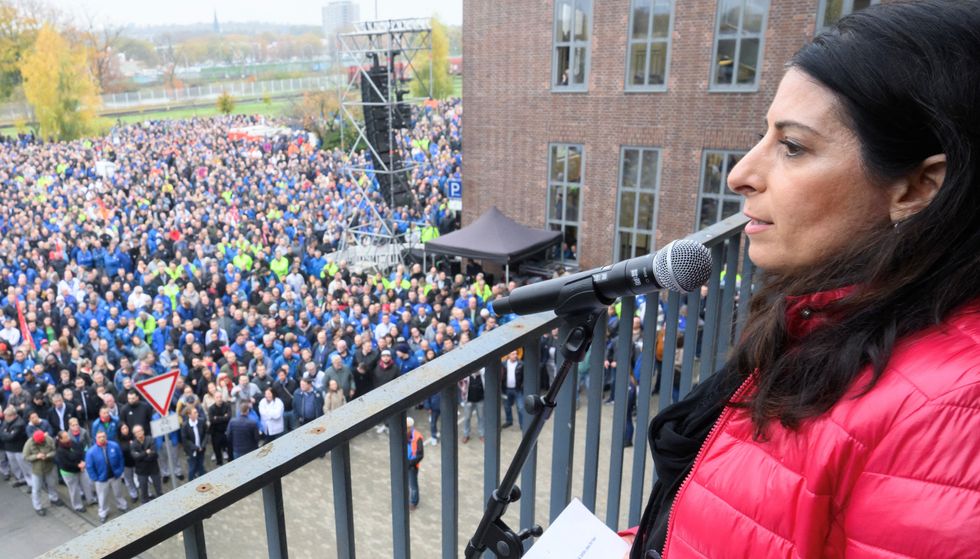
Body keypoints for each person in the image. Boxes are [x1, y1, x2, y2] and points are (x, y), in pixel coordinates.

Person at [626, 3, 980, 557]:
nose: (741, 174)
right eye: (764, 136)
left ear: (917, 187)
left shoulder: (952, 417)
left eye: (791, 146)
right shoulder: (823, 314)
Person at [85, 430, 128, 524]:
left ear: (106, 436)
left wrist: (120, 471)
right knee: (102, 497)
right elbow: (89, 467)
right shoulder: (91, 452)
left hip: (115, 476)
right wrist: (95, 478)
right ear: (96, 438)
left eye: (103, 436)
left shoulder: (114, 446)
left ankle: (122, 506)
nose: (102, 438)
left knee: (118, 493)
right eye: (99, 437)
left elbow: (121, 459)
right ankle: (103, 513)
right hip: (101, 479)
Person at [23, 429, 61, 515]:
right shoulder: (29, 443)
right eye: (38, 442)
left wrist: (47, 455)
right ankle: (38, 506)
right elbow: (25, 457)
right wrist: (36, 456)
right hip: (37, 469)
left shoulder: (49, 439)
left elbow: (54, 451)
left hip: (49, 467)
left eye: (41, 441)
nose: (40, 443)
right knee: (36, 489)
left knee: (52, 484)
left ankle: (54, 498)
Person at [54, 430, 89, 512]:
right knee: (74, 489)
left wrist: (83, 461)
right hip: (69, 472)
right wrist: (77, 465)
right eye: (66, 437)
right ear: (60, 439)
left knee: (86, 484)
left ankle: (90, 499)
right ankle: (78, 506)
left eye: (68, 436)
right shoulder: (59, 451)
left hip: (80, 467)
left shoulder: (72, 443)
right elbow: (66, 464)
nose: (68, 438)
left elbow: (81, 451)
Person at [129, 424, 162, 503]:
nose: (139, 433)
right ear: (134, 434)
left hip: (153, 468)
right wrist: (146, 453)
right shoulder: (133, 445)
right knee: (143, 491)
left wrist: (142, 457)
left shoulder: (150, 439)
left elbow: (154, 454)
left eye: (140, 431)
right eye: (136, 432)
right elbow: (135, 457)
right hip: (142, 471)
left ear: (143, 431)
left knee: (158, 488)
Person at [0, 405, 29, 487]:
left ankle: (30, 483)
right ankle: (21, 479)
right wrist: (6, 433)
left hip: (19, 449)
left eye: (7, 416)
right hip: (9, 448)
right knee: (14, 466)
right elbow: (1, 432)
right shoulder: (6, 421)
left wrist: (5, 433)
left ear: (13, 415)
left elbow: (11, 437)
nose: (4, 417)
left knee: (24, 466)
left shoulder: (19, 423)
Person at [180, 406, 208, 480]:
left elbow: (206, 434)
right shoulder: (185, 426)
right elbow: (185, 440)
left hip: (201, 449)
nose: (197, 414)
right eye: (195, 413)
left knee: (201, 465)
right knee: (192, 468)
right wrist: (195, 447)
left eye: (196, 412)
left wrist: (202, 445)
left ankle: (202, 479)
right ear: (189, 415)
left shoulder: (201, 421)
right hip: (191, 451)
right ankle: (191, 481)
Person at [459, 367, 485, 443]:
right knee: (467, 418)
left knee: (481, 418)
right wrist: (463, 391)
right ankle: (466, 434)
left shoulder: (482, 374)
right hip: (468, 401)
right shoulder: (466, 375)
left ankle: (482, 434)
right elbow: (460, 382)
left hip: (480, 400)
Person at [500, 351, 524, 428]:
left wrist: (522, 386)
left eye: (516, 354)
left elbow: (524, 377)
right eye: (513, 354)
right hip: (506, 389)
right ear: (508, 355)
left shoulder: (521, 364)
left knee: (520, 407)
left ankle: (522, 424)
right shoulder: (503, 364)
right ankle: (509, 421)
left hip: (517, 390)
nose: (515, 355)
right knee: (507, 406)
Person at [207, 391, 231, 466]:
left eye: (220, 397)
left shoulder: (227, 405)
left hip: (226, 431)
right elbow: (212, 420)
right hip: (216, 433)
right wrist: (224, 417)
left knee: (229, 448)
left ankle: (231, 461)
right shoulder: (211, 408)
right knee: (217, 450)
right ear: (214, 398)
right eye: (217, 397)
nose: (219, 399)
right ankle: (219, 463)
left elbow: (228, 417)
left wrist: (217, 418)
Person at [405, 416, 424, 511]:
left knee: (413, 485)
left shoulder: (417, 437)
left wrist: (410, 463)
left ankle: (414, 502)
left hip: (412, 465)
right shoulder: (403, 434)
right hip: (404, 462)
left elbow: (420, 455)